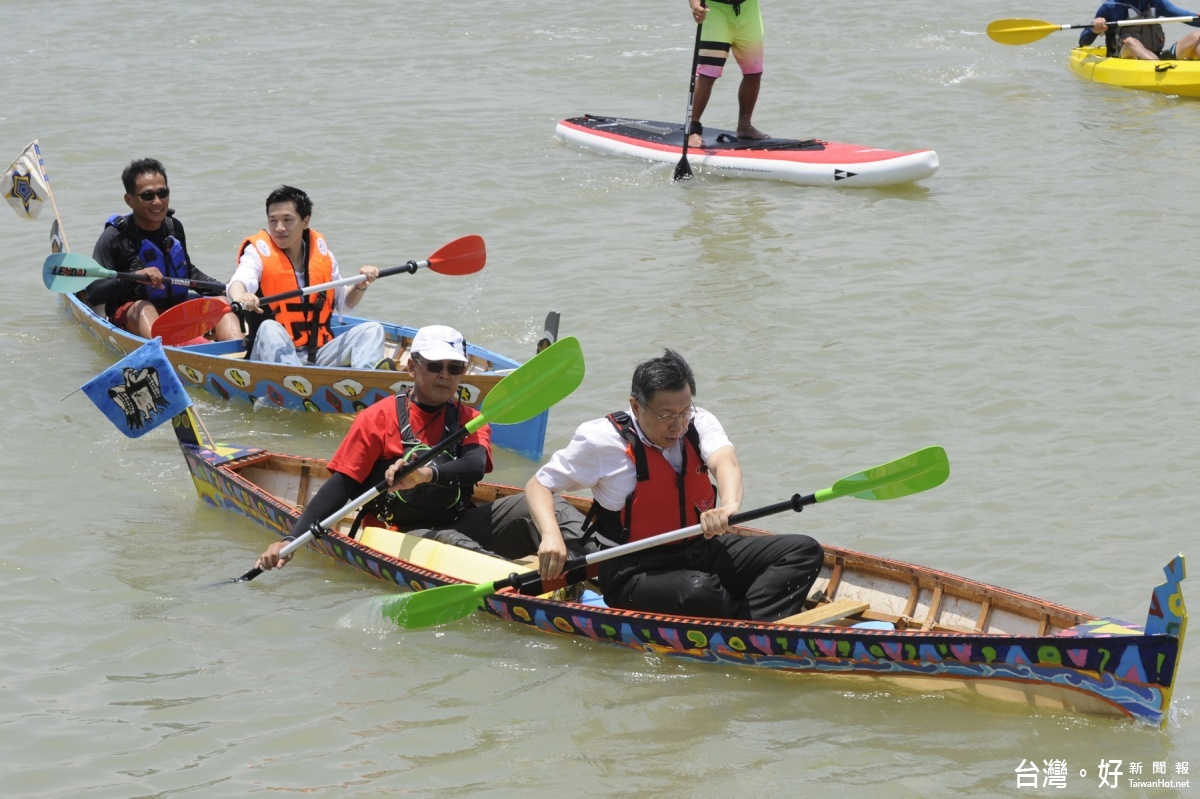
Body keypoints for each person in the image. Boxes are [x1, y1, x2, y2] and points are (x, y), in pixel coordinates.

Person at [256, 325, 598, 571]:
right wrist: (290, 539)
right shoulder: (378, 418)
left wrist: (425, 473)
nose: (445, 375)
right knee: (458, 546)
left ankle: (600, 564)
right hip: (400, 532)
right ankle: (531, 591)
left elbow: (474, 466)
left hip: (461, 520)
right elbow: (340, 487)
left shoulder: (471, 418)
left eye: (455, 368)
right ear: (412, 367)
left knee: (547, 504)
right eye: (434, 366)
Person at [524, 349, 824, 622]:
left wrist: (729, 507)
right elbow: (538, 486)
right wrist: (551, 536)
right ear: (636, 406)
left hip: (701, 549)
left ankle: (747, 625)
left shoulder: (699, 421)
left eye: (684, 412)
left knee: (803, 551)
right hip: (634, 568)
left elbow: (726, 462)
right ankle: (744, 621)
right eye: (666, 415)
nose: (678, 425)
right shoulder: (600, 440)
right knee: (700, 592)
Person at [227, 185, 387, 370]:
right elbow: (238, 282)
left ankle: (365, 380)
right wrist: (242, 297)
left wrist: (361, 285)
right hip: (270, 356)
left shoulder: (323, 256)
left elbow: (344, 303)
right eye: (273, 220)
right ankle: (297, 382)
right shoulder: (256, 252)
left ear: (305, 221)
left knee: (372, 329)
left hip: (317, 353)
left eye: (287, 220)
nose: (279, 228)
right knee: (269, 327)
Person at [86, 158, 242, 341]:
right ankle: (173, 351)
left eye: (163, 193)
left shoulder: (174, 227)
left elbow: (186, 271)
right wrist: (135, 277)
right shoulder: (113, 237)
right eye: (147, 196)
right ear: (129, 200)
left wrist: (224, 288)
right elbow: (93, 293)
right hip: (134, 317)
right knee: (143, 307)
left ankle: (237, 355)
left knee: (221, 304)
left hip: (175, 310)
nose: (157, 202)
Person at [686, 0, 770, 149]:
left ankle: (745, 126)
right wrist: (695, 6)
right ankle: (693, 130)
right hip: (715, 11)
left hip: (748, 9)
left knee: (754, 72)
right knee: (708, 73)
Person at [1080, 0, 1200, 60]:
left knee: (1197, 36)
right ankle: (1159, 70)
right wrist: (1094, 30)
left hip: (1157, 57)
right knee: (1131, 42)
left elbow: (1193, 20)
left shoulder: (1157, 3)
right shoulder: (1110, 7)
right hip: (1124, 58)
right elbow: (1083, 41)